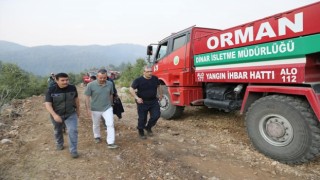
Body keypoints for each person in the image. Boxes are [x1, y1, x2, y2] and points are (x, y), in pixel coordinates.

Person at [44, 73, 80, 158]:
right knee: (58, 130)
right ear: (56, 80)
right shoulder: (51, 89)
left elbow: (76, 99)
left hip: (70, 113)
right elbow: (47, 104)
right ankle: (59, 143)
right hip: (57, 114)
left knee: (73, 130)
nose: (65, 82)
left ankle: (73, 151)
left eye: (67, 80)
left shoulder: (72, 88)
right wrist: (54, 115)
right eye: (62, 80)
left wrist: (78, 110)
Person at [84, 69, 118, 149]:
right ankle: (97, 136)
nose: (102, 79)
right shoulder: (90, 85)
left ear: (107, 77)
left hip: (107, 108)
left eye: (104, 78)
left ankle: (111, 142)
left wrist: (111, 104)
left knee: (110, 124)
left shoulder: (110, 84)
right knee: (96, 124)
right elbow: (87, 98)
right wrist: (88, 109)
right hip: (95, 108)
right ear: (97, 77)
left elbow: (111, 94)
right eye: (101, 78)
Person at [129, 65, 162, 139]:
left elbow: (159, 86)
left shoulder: (155, 78)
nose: (150, 73)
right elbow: (131, 89)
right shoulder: (138, 80)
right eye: (148, 72)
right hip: (142, 102)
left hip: (153, 101)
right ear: (144, 72)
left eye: (151, 71)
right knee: (142, 118)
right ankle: (141, 131)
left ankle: (148, 127)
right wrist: (137, 98)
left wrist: (161, 94)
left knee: (156, 115)